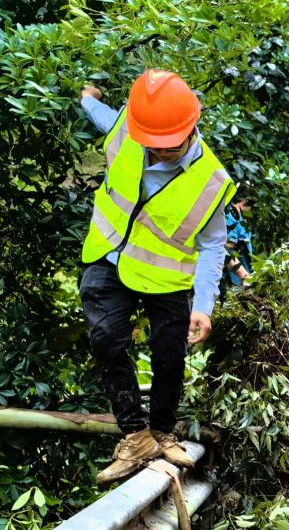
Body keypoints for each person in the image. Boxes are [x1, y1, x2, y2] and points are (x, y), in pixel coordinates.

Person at [79, 70, 235, 483]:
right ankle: (136, 435)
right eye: (151, 144)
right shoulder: (128, 132)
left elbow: (213, 245)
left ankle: (163, 431)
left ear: (192, 128)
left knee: (170, 354)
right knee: (106, 339)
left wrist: (203, 306)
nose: (158, 152)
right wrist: (86, 96)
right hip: (109, 254)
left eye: (168, 146)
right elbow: (100, 114)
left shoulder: (210, 181)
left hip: (166, 277)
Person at [224, 193, 253, 286]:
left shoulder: (242, 219)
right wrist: (243, 275)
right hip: (236, 272)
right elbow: (228, 247)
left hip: (244, 265)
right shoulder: (231, 216)